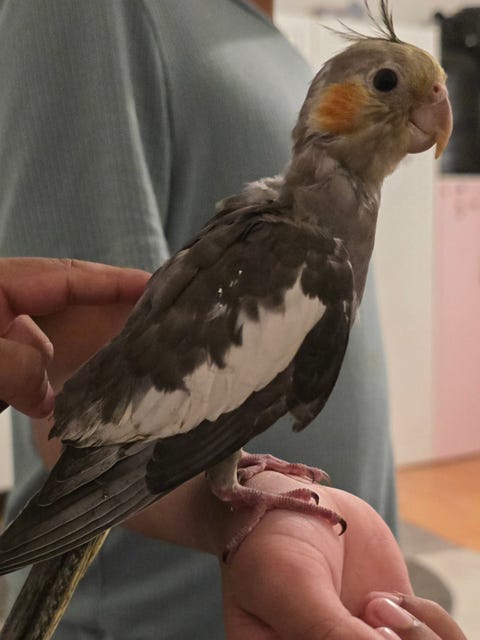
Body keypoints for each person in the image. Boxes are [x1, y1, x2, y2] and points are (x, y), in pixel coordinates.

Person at [0, 0, 452, 638]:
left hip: (308, 587)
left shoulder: (267, 39)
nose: (432, 106)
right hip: (160, 620)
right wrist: (249, 516)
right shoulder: (93, 13)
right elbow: (66, 378)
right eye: (386, 83)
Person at [0, 266, 469, 640]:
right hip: (153, 616)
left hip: (317, 567)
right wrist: (239, 506)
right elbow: (79, 383)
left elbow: (220, 391)